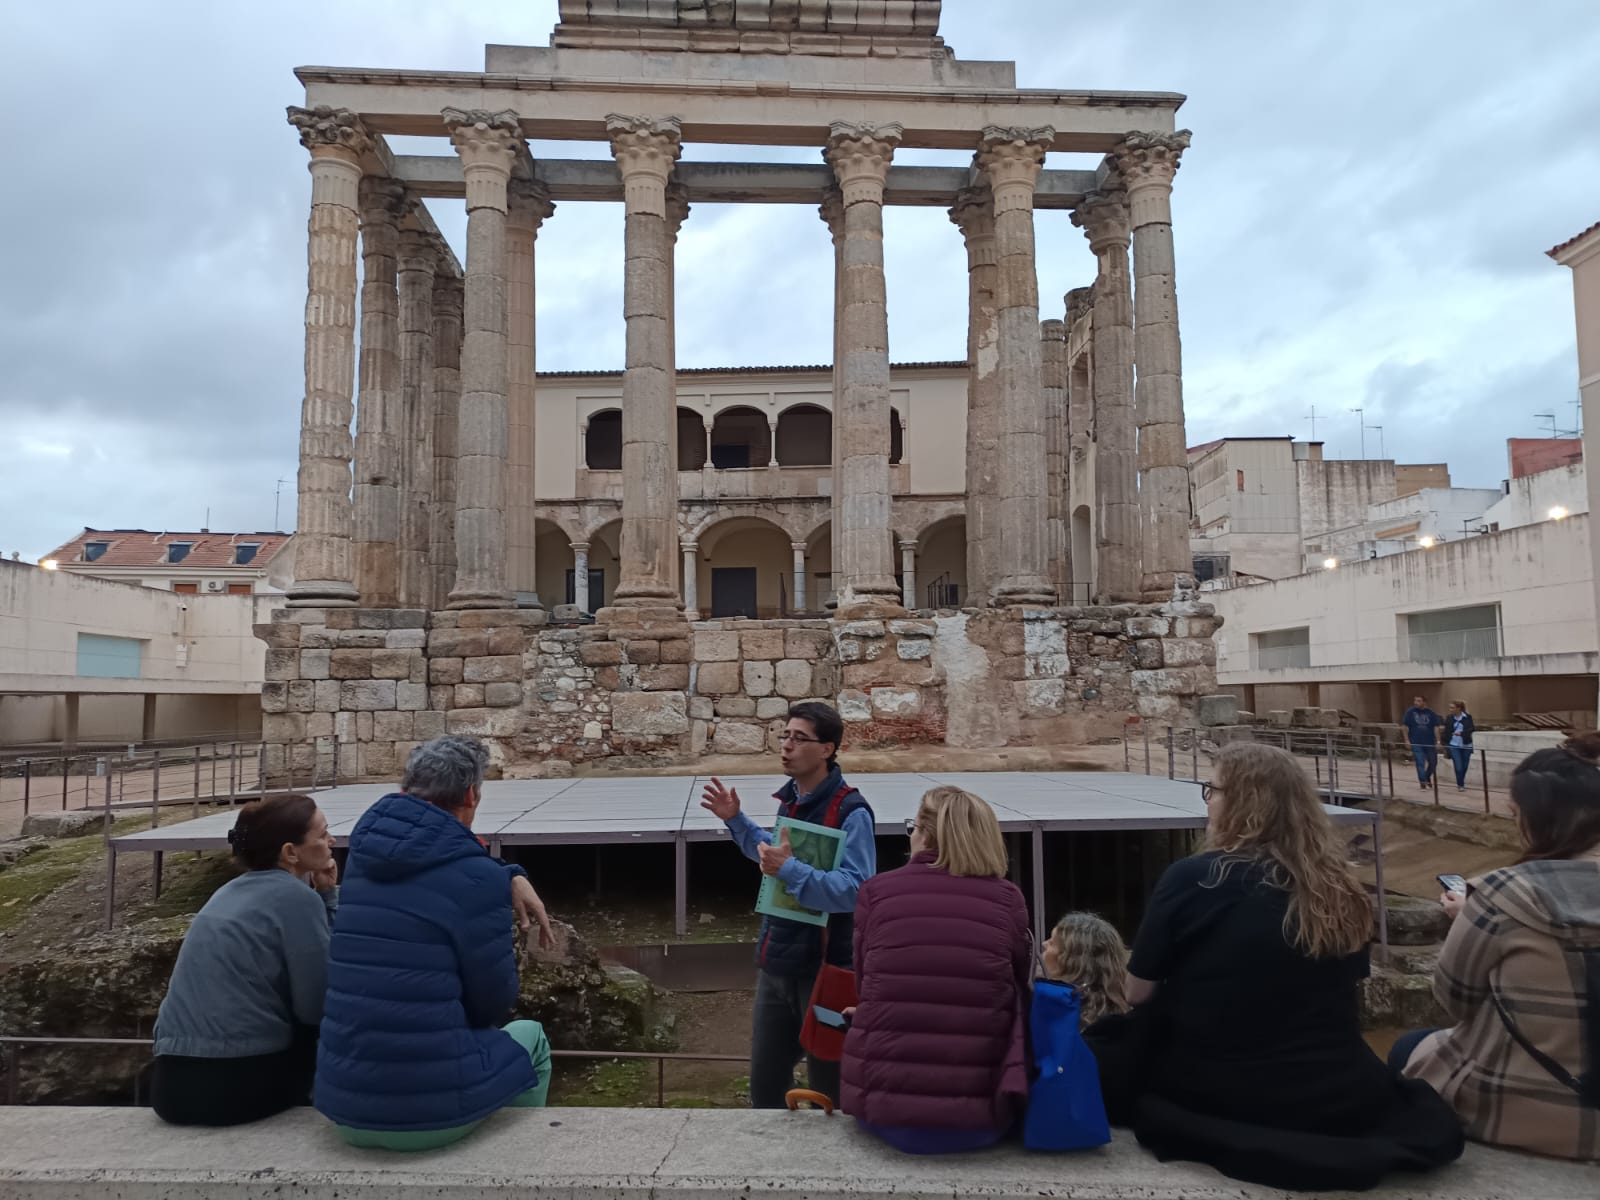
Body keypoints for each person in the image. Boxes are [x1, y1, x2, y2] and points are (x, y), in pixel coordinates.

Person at [1119, 742, 1463, 1190]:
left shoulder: (1191, 877)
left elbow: (1136, 992)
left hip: (1222, 1084)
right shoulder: (1340, 889)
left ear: (1244, 803)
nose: (1209, 799)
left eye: (1213, 789)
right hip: (1333, 1089)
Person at [315, 735, 558, 1150]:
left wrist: (507, 874)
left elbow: (434, 861)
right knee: (530, 1038)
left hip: (345, 1105)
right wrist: (501, 878)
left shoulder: (362, 857)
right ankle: (520, 1160)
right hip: (426, 1116)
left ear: (406, 790)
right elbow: (493, 1003)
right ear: (470, 794)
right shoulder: (477, 880)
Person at [1391, 734, 1600, 1162]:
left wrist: (1470, 918)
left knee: (1407, 1045)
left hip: (1526, 1115)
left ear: (1537, 819)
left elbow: (1455, 1000)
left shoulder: (1503, 893)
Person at [700, 701, 875, 1110]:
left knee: (829, 1087)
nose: (787, 746)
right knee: (765, 1084)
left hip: (825, 970)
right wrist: (736, 820)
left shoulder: (851, 811)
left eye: (799, 738)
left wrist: (791, 870)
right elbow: (772, 857)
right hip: (776, 962)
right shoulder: (791, 801)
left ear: (827, 748)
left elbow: (856, 890)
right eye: (785, 735)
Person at [840, 787, 1030, 1153]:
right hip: (982, 1116)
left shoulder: (876, 892)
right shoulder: (1008, 899)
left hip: (884, 1112)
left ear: (925, 833)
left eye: (913, 826)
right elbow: (1017, 986)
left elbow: (866, 985)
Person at [150, 794, 338, 1126]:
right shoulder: (297, 899)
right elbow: (317, 1004)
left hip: (170, 1086)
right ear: (290, 853)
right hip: (235, 1088)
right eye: (322, 834)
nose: (331, 841)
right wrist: (327, 897)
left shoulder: (226, 892)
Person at [1041, 912, 1143, 1125]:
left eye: (1052, 942)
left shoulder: (1054, 1014)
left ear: (1070, 960)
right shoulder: (1132, 1016)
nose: (1044, 945)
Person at [1403, 695, 1444, 790]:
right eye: (1415, 700)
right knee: (1420, 762)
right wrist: (1406, 740)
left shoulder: (1431, 713)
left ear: (1424, 702)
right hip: (1416, 742)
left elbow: (1436, 727)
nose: (1416, 702)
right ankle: (1423, 782)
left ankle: (1426, 776)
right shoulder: (1410, 712)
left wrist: (1438, 741)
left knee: (1433, 762)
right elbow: (1404, 726)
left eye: (1418, 701)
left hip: (1429, 742)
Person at [1444, 700, 1475, 793]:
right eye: (1450, 707)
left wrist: (1461, 733)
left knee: (1464, 766)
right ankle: (1460, 784)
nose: (1450, 709)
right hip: (1454, 745)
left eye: (1452, 708)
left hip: (1466, 745)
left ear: (1459, 708)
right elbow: (1446, 732)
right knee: (1458, 766)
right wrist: (1445, 744)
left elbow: (1471, 729)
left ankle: (1461, 781)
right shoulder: (1449, 718)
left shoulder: (1467, 717)